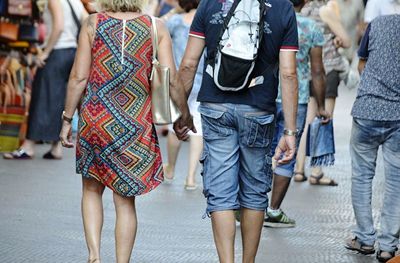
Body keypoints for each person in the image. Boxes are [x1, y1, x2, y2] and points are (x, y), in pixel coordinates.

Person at [171, 0, 300, 261]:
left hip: (215, 106)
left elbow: (187, 64)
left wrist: (182, 112)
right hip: (258, 109)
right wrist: (290, 131)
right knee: (254, 191)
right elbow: (288, 73)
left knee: (221, 192)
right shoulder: (283, 7)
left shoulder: (209, 4)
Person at [58, 0, 178, 261]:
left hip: (96, 120)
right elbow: (171, 79)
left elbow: (78, 77)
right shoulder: (155, 27)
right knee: (125, 201)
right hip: (134, 124)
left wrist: (67, 118)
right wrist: (183, 115)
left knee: (91, 190)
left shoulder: (93, 23)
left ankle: (94, 255)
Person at [264, 0, 330, 228]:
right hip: (297, 99)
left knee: (261, 150)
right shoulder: (312, 28)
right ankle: (273, 210)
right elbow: (318, 71)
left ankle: (251, 206)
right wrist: (321, 105)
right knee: (287, 155)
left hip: (266, 94)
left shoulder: (269, 18)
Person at [344, 13, 400, 263]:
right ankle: (388, 246)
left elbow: (361, 63)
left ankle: (365, 239)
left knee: (362, 176)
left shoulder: (378, 23)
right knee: (396, 181)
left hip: (367, 111)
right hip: (398, 115)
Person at [3, 0, 87, 160]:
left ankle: (28, 146)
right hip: (72, 52)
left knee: (41, 97)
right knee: (59, 99)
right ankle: (56, 148)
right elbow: (86, 22)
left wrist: (46, 52)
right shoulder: (76, 2)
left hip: (57, 51)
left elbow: (59, 26)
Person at [294, 0, 350, 185]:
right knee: (323, 119)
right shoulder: (326, 11)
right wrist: (338, 39)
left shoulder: (303, 10)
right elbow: (348, 41)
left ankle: (299, 169)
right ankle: (316, 171)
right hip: (328, 70)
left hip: (308, 70)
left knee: (308, 121)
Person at [163, 0, 203, 190]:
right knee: (198, 128)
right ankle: (190, 177)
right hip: (202, 80)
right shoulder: (205, 20)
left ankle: (170, 168)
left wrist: (175, 10)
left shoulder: (177, 21)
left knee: (175, 125)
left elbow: (158, 26)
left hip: (179, 81)